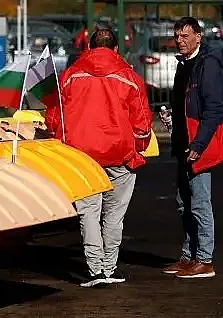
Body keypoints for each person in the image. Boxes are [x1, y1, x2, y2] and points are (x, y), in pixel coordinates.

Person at [46, 28, 152, 288]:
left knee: (88, 212)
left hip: (81, 156)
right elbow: (142, 125)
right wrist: (136, 145)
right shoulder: (129, 77)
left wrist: (63, 141)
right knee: (114, 215)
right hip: (120, 154)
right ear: (116, 49)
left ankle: (95, 270)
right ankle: (109, 266)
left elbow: (54, 116)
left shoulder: (71, 75)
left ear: (89, 48)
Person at [160, 17, 223, 279]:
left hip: (198, 145)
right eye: (177, 36)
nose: (180, 40)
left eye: (185, 35)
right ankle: (188, 256)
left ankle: (204, 259)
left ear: (199, 36)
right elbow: (187, 103)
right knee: (183, 203)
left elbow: (215, 108)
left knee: (199, 203)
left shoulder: (207, 65)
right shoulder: (183, 65)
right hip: (185, 143)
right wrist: (173, 120)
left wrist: (199, 143)